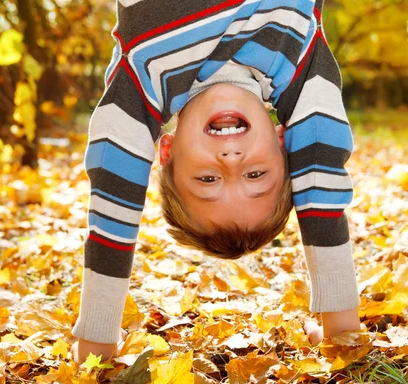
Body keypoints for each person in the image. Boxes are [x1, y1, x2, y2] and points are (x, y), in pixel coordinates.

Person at [72, 0, 360, 363]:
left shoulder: (143, 80)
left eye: (207, 179)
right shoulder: (297, 56)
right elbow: (321, 170)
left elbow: (113, 194)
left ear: (166, 153)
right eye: (255, 175)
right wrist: (341, 328)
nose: (231, 161)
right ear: (284, 141)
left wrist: (96, 345)